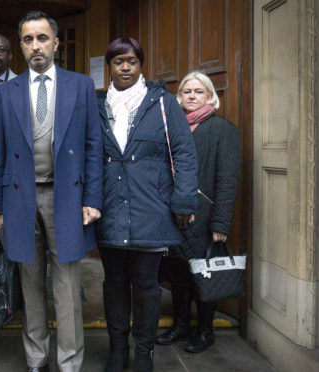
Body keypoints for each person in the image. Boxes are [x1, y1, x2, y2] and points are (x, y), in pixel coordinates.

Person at [0, 11, 103, 372]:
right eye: (28, 39)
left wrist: (92, 199)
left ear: (56, 43)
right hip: (20, 198)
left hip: (67, 198)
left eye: (42, 38)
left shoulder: (81, 85)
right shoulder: (6, 92)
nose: (35, 46)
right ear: (21, 47)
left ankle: (69, 363)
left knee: (68, 287)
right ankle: (36, 361)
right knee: (29, 284)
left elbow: (93, 145)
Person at [95, 38, 198, 372]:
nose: (125, 67)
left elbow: (184, 153)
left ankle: (144, 352)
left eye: (132, 61)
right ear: (108, 66)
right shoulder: (96, 105)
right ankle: (116, 349)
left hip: (151, 210)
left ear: (141, 65)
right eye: (118, 61)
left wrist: (183, 200)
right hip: (110, 209)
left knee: (146, 287)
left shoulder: (165, 105)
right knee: (114, 284)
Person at [156, 71, 240, 353]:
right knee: (178, 275)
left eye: (198, 91)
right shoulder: (173, 128)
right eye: (187, 91)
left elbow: (227, 181)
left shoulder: (223, 129)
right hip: (174, 216)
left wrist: (221, 224)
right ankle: (180, 326)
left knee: (203, 275)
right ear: (180, 97)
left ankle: (205, 331)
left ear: (209, 96)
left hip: (205, 219)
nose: (192, 96)